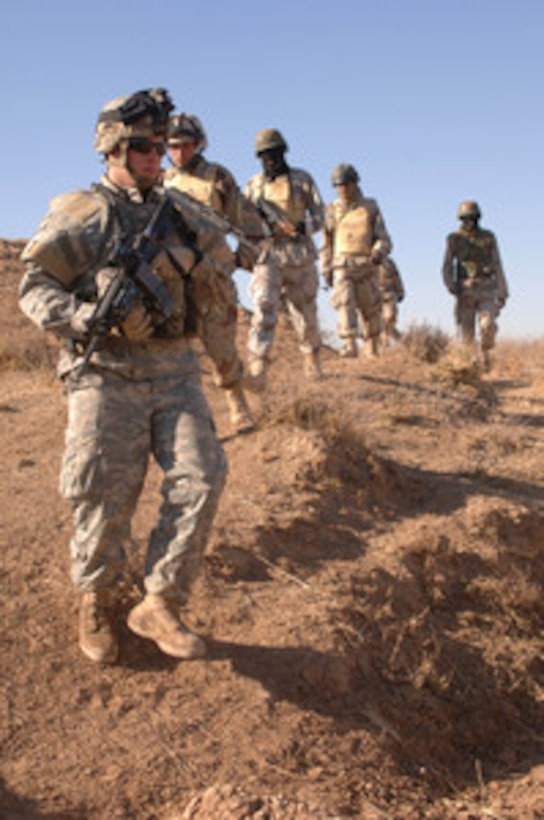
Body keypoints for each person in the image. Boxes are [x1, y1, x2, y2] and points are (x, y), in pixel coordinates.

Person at [19, 89, 229, 665]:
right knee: (102, 494)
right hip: (105, 373)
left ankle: (159, 601)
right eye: (142, 146)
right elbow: (34, 288)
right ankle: (96, 597)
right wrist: (84, 316)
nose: (155, 155)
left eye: (161, 146)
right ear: (112, 147)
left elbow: (225, 256)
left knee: (204, 475)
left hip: (175, 369)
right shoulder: (81, 213)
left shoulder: (183, 210)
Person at [164, 113, 267, 431]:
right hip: (172, 276)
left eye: (186, 145)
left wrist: (240, 259)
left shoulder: (217, 177)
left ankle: (237, 404)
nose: (179, 152)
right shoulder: (161, 180)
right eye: (172, 146)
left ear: (198, 144)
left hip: (213, 276)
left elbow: (249, 224)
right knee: (173, 349)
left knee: (220, 344)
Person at [243, 128, 325, 389]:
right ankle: (258, 364)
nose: (270, 159)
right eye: (265, 155)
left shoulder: (303, 180)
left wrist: (304, 226)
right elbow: (242, 218)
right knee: (264, 305)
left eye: (274, 153)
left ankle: (311, 356)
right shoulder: (253, 186)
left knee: (305, 313)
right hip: (268, 253)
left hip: (299, 253)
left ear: (283, 152)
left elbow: (322, 216)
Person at [320, 163, 392, 358]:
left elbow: (384, 238)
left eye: (345, 184)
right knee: (344, 302)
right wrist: (325, 268)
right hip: (341, 265)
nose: (342, 189)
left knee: (370, 307)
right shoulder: (331, 210)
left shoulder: (370, 207)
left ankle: (373, 347)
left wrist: (378, 251)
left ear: (354, 183)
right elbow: (326, 243)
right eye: (338, 185)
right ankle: (349, 344)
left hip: (367, 264)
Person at [442, 200, 509, 370]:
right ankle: (473, 371)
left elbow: (498, 263)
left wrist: (503, 291)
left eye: (471, 218)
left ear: (477, 218)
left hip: (487, 288)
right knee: (467, 336)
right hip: (466, 290)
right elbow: (447, 265)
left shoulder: (488, 237)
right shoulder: (454, 239)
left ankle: (486, 352)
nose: (468, 222)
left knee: (487, 326)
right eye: (465, 218)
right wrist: (451, 285)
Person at [378, 256, 405, 348]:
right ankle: (390, 343)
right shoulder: (364, 258)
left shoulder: (388, 261)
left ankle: (399, 340)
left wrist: (400, 291)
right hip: (372, 295)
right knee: (375, 324)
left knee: (390, 317)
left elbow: (396, 276)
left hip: (388, 293)